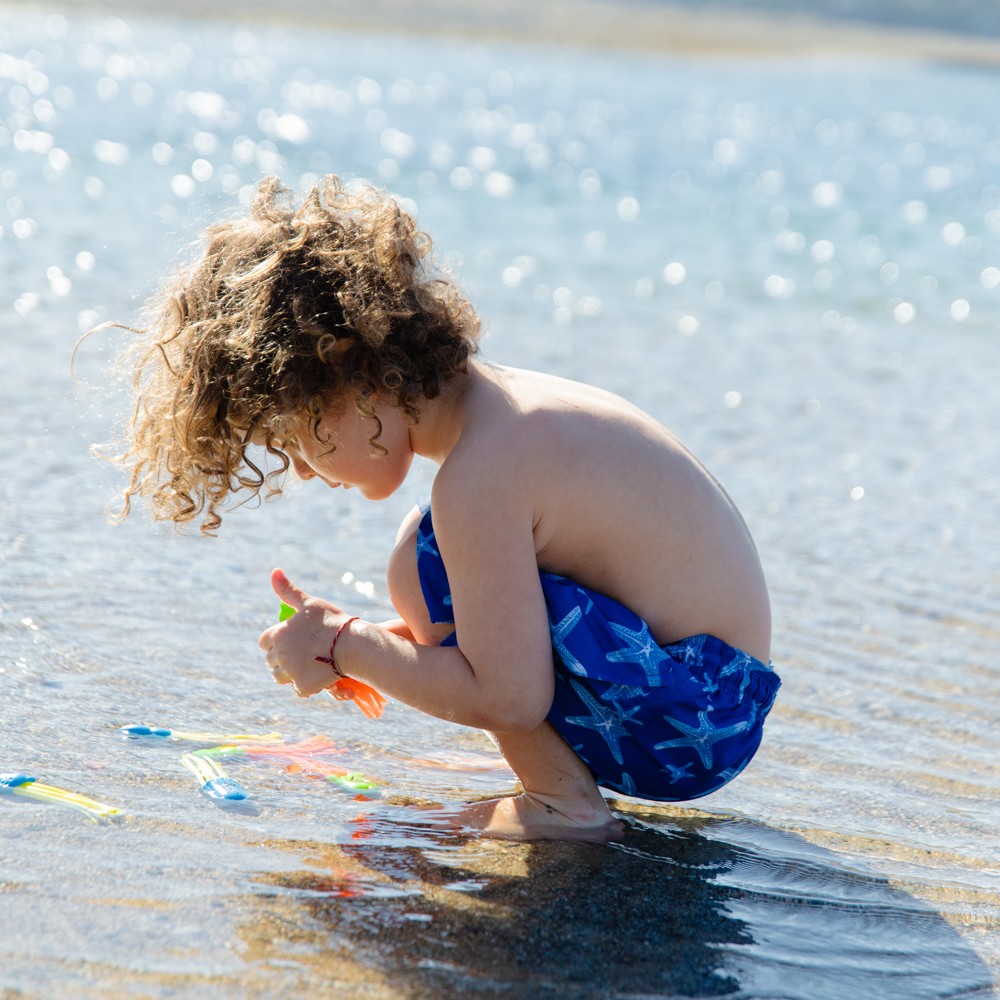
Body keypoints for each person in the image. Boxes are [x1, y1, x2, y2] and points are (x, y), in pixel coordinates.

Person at [111, 174, 780, 841]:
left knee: (423, 563)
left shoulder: (479, 478)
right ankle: (553, 779)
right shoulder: (510, 413)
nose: (306, 472)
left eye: (294, 439)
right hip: (712, 700)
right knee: (439, 575)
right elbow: (508, 621)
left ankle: (561, 802)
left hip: (692, 718)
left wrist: (351, 645)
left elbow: (511, 697)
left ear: (350, 372)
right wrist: (352, 643)